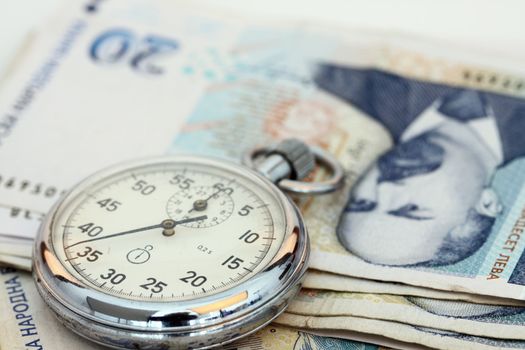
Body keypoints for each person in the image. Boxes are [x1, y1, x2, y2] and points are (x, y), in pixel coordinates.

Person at [314, 65, 525, 267]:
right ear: (486, 202)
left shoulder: (340, 79)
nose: (385, 187)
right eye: (410, 209)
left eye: (361, 202)